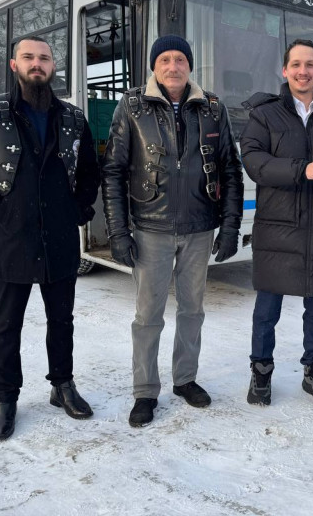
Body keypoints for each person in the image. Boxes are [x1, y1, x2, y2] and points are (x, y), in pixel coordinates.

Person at [0, 36, 100, 441]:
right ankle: (5, 399)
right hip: (12, 239)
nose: (37, 64)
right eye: (28, 57)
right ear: (14, 65)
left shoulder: (73, 117)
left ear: (53, 66)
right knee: (6, 325)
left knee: (62, 320)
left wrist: (78, 211)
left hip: (60, 239)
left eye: (44, 58)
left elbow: (90, 172)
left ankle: (62, 385)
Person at [102, 35, 243, 427]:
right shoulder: (132, 106)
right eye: (164, 59)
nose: (173, 66)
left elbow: (231, 169)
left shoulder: (213, 108)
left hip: (199, 228)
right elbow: (113, 171)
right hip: (151, 228)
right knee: (148, 316)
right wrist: (118, 232)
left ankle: (185, 379)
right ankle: (145, 391)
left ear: (190, 65)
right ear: (154, 66)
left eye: (180, 59)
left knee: (192, 311)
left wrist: (230, 227)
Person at [240, 39, 313, 407]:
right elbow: (254, 161)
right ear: (285, 70)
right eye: (296, 64)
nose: (303, 71)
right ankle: (261, 372)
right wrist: (300, 169)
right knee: (267, 310)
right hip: (277, 226)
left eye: (309, 64)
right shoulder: (265, 114)